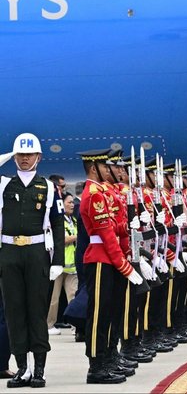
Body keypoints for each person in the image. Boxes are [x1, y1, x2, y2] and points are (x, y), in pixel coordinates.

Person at [0, 133, 65, 388]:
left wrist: (57, 259)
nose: (24, 159)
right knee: (14, 312)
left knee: (36, 312)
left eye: (29, 155)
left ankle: (39, 369)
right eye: (20, 154)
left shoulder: (48, 188)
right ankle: (22, 368)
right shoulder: (4, 185)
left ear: (38, 157)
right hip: (9, 253)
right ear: (14, 156)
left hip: (37, 253)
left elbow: (58, 225)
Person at [78, 149, 143, 384]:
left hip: (109, 257)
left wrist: (130, 227)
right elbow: (105, 234)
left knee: (111, 311)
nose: (110, 171)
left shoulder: (103, 192)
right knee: (98, 315)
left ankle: (108, 357)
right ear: (93, 168)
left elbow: (115, 228)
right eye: (105, 167)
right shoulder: (93, 194)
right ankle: (96, 365)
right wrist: (123, 264)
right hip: (100, 259)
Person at [47, 193, 78, 336]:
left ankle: (76, 325)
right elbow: (61, 239)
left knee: (73, 296)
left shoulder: (74, 221)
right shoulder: (58, 221)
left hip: (72, 266)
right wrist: (78, 236)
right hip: (58, 265)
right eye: (69, 202)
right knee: (54, 298)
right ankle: (49, 325)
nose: (72, 205)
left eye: (73, 202)